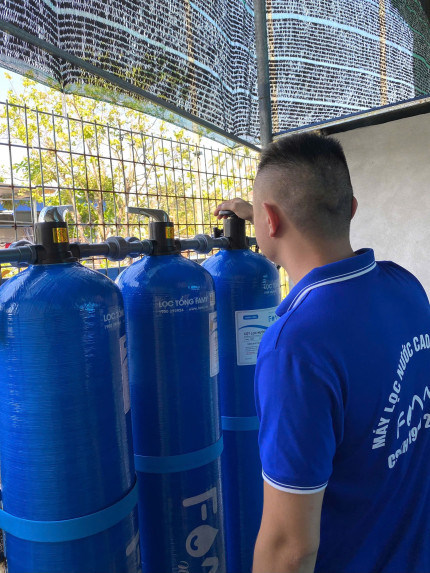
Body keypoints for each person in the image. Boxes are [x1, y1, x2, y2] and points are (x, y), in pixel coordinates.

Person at [214, 133, 430, 573]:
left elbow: (288, 548)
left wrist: (271, 214)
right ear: (351, 208)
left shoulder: (295, 347)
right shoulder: (406, 287)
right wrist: (265, 213)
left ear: (269, 221)